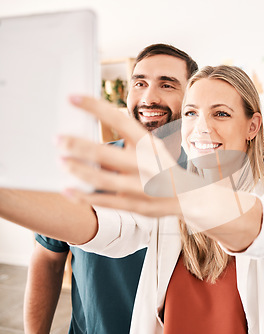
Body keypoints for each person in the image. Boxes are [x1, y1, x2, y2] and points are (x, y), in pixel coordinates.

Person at [1, 65, 264, 334]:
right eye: (191, 113)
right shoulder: (169, 207)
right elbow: (100, 227)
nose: (202, 127)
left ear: (252, 125)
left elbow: (258, 229)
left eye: (220, 113)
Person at [23, 43, 198, 334]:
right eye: (139, 83)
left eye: (167, 84)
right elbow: (48, 258)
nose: (149, 97)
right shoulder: (83, 167)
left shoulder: (202, 182)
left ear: (191, 99)